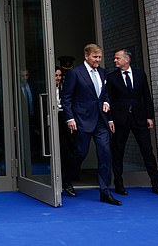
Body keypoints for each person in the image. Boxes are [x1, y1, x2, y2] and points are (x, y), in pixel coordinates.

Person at [61, 43, 121, 205]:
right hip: (82, 120)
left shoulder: (102, 72)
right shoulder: (75, 73)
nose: (98, 60)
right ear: (86, 56)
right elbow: (66, 98)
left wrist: (108, 113)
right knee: (80, 152)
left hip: (101, 120)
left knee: (105, 153)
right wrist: (70, 118)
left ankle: (105, 191)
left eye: (100, 57)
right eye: (95, 57)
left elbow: (104, 94)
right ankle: (66, 180)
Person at [106, 49, 158, 196]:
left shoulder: (140, 75)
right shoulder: (112, 77)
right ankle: (119, 184)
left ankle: (156, 184)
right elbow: (108, 99)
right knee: (118, 151)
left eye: (117, 58)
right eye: (115, 58)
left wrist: (150, 117)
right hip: (120, 120)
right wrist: (110, 119)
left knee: (147, 150)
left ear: (127, 59)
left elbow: (146, 97)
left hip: (139, 118)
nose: (115, 61)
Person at [55, 66, 76, 197]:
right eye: (55, 75)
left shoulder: (65, 89)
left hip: (65, 123)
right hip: (52, 122)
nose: (58, 78)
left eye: (59, 75)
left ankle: (66, 181)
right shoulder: (44, 90)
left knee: (66, 152)